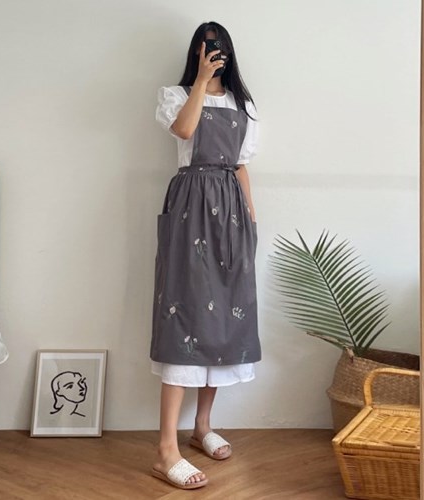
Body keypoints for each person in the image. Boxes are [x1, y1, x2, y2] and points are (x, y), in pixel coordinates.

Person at [150, 21, 261, 490]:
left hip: (232, 214)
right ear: (196, 52)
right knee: (184, 313)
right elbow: (184, 129)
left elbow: (241, 166)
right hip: (190, 209)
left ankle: (201, 427)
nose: (212, 52)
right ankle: (165, 450)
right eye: (205, 46)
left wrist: (251, 220)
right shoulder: (176, 95)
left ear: (228, 51)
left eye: (218, 46)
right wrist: (200, 80)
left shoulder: (243, 105)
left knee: (224, 319)